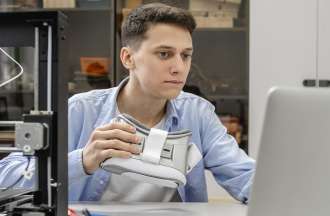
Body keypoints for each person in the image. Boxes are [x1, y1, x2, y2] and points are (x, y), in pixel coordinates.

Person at [0, 3, 255, 203]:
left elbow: (244, 175)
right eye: (164, 54)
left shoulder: (198, 113)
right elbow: (6, 177)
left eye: (185, 55)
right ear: (128, 58)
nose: (179, 67)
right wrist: (83, 161)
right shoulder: (82, 109)